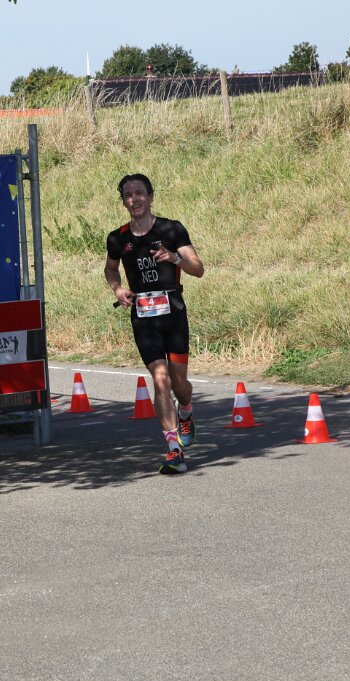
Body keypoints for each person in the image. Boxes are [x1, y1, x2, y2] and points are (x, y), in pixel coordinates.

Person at [105, 173, 205, 474]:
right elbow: (111, 269)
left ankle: (185, 410)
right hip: (143, 316)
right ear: (123, 202)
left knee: (179, 384)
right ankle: (174, 450)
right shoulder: (118, 238)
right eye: (128, 195)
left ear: (150, 196)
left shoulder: (171, 229)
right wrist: (117, 289)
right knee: (160, 380)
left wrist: (174, 258)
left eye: (139, 193)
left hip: (173, 312)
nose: (134, 199)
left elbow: (198, 268)